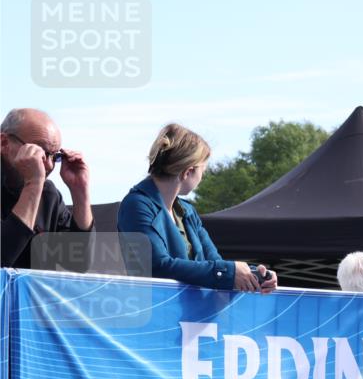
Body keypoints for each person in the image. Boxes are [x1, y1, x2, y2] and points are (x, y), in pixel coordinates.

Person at [118, 124, 277, 292]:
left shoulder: (187, 212)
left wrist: (253, 274)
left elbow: (214, 261)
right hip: (157, 313)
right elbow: (156, 266)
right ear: (188, 172)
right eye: (203, 170)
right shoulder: (136, 205)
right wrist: (230, 272)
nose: (202, 177)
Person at [1, 108, 94, 268]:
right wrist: (32, 185)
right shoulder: (36, 185)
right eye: (39, 153)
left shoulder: (47, 194)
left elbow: (79, 262)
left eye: (55, 156)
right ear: (4, 143)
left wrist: (80, 192)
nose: (49, 165)